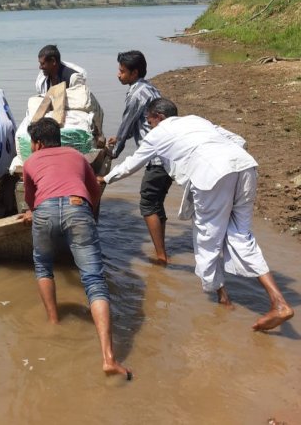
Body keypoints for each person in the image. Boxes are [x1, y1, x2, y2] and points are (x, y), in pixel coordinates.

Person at [101, 98, 294, 331]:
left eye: (150, 121)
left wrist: (106, 178)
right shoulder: (195, 119)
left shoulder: (159, 133)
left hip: (212, 175)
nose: (150, 126)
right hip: (244, 166)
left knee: (207, 241)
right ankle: (278, 301)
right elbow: (237, 139)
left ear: (159, 117)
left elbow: (133, 163)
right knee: (241, 237)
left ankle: (224, 301)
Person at [19, 118, 131, 380]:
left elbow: (30, 199)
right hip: (77, 206)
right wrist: (84, 217)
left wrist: (33, 213)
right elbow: (94, 192)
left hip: (44, 210)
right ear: (58, 138)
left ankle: (54, 322)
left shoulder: (30, 162)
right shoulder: (77, 156)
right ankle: (109, 358)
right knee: (94, 281)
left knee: (43, 266)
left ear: (36, 143)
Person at [107, 50, 172, 264]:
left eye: (122, 71)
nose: (118, 74)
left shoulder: (137, 93)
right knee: (156, 204)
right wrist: (118, 139)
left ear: (134, 72)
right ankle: (161, 249)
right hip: (167, 155)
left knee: (147, 203)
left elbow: (127, 124)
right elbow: (136, 124)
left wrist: (113, 154)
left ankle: (161, 256)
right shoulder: (149, 87)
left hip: (155, 158)